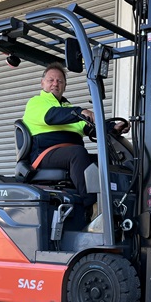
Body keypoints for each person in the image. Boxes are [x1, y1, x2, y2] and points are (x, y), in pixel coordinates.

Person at [22, 62, 128, 212]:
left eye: (60, 81)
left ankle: (115, 204)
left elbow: (87, 127)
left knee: (103, 160)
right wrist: (79, 112)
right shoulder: (36, 103)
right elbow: (51, 116)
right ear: (42, 83)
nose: (55, 84)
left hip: (67, 153)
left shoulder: (67, 107)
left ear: (65, 86)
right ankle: (91, 208)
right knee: (77, 153)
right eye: (51, 80)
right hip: (44, 154)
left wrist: (113, 128)